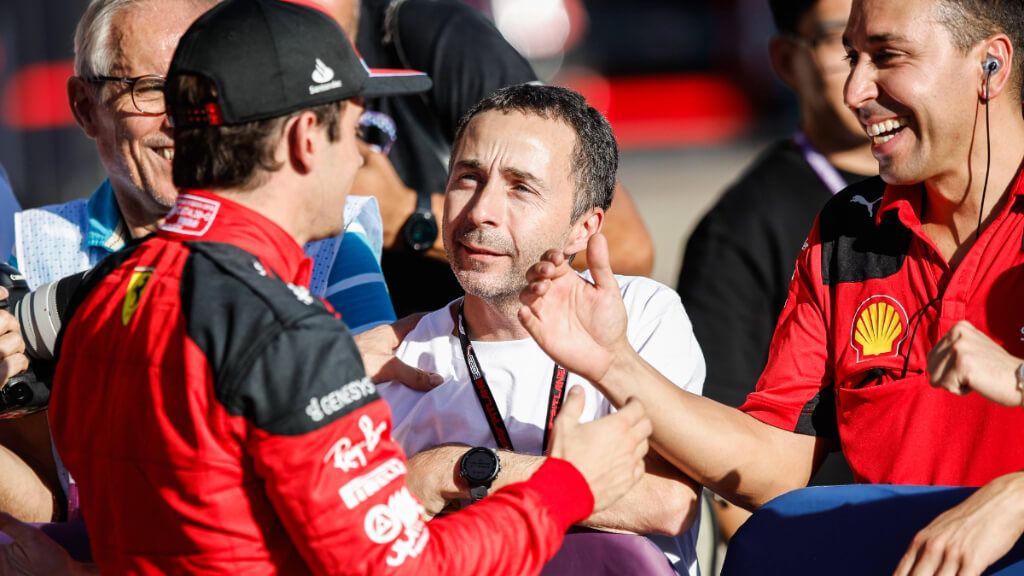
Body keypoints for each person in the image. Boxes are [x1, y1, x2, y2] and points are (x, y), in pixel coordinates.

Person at [45, 1, 652, 573]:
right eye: (355, 131)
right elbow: (401, 566)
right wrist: (569, 483)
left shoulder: (104, 292)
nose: (360, 162)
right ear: (306, 138)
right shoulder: (286, 333)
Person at [517, 0, 1024, 573]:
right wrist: (612, 363)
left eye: (887, 56)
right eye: (851, 57)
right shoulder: (846, 228)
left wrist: (1013, 500)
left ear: (991, 65)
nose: (855, 90)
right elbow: (776, 467)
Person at [374, 84, 705, 575]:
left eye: (520, 187)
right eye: (468, 177)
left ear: (583, 228)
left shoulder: (642, 313)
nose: (481, 210)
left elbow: (666, 500)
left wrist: (456, 469)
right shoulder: (397, 363)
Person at [311, 0, 656, 317]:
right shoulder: (261, 47)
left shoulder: (427, 33)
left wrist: (406, 214)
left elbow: (627, 243)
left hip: (462, 355)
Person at [677, 0, 874, 536]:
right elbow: (727, 477)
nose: (868, 70)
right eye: (844, 43)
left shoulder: (979, 193)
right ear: (787, 60)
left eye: (889, 43)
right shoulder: (741, 227)